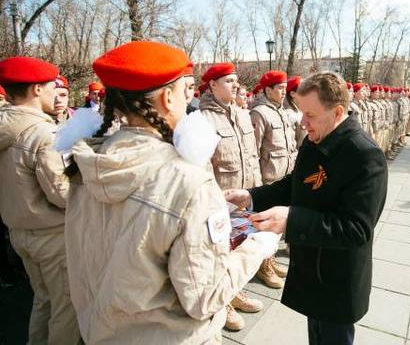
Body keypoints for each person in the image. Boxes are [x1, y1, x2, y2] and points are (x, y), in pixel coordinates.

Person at [62, 41, 278, 344]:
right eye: (185, 89)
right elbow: (205, 297)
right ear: (167, 97)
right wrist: (259, 245)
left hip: (100, 333)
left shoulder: (87, 164)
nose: (189, 96)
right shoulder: (189, 182)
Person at [225, 72, 388, 345]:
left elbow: (356, 229)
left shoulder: (364, 156)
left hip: (337, 278)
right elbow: (295, 185)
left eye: (310, 115)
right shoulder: (317, 138)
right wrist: (250, 196)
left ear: (337, 112)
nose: (303, 122)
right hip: (313, 269)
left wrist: (292, 219)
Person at [0, 56, 80, 344]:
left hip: (20, 232)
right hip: (52, 237)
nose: (53, 92)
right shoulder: (43, 133)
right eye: (50, 86)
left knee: (43, 300)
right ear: (36, 89)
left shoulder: (6, 124)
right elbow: (61, 194)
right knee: (66, 309)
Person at [198, 62, 265, 331]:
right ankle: (220, 300)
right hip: (220, 203)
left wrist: (255, 191)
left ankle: (234, 291)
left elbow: (253, 155)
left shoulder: (240, 113)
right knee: (219, 253)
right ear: (212, 85)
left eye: (236, 81)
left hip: (245, 195)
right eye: (228, 81)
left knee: (241, 249)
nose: (235, 85)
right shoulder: (202, 120)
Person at [250, 70, 297, 289]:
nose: (284, 91)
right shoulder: (259, 113)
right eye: (279, 87)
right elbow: (254, 150)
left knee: (276, 228)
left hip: (284, 175)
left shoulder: (284, 112)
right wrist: (258, 181)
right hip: (269, 178)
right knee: (266, 226)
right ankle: (263, 266)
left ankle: (271, 259)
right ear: (268, 90)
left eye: (284, 87)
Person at [284, 76, 307, 147]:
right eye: (303, 90)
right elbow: (290, 146)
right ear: (293, 94)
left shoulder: (299, 111)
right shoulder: (289, 114)